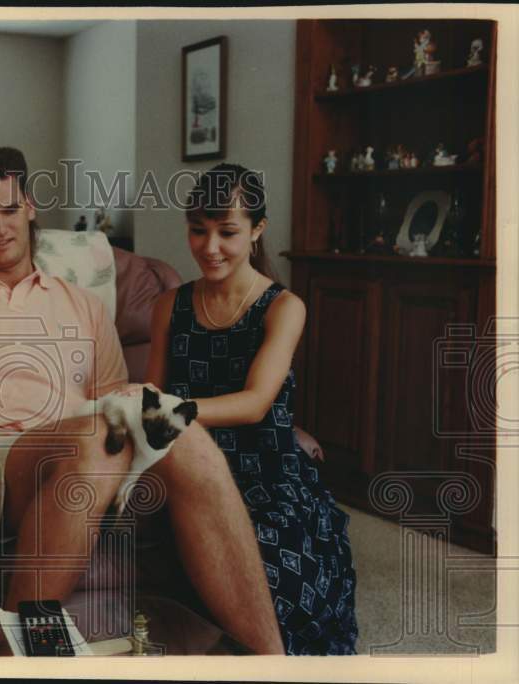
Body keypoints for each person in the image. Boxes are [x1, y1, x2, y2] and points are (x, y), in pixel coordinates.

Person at [0, 147, 285, 654]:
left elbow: (113, 402)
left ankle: (271, 662)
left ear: (30, 206)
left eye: (9, 210)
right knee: (95, 435)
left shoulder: (84, 305)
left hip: (90, 453)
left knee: (185, 437)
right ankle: (35, 646)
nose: (0, 229)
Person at [143, 162, 358, 654]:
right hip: (191, 466)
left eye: (228, 232)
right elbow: (151, 394)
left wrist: (174, 410)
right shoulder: (169, 305)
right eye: (198, 230)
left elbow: (258, 403)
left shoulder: (285, 307)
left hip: (266, 470)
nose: (209, 246)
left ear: (258, 230)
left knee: (278, 590)